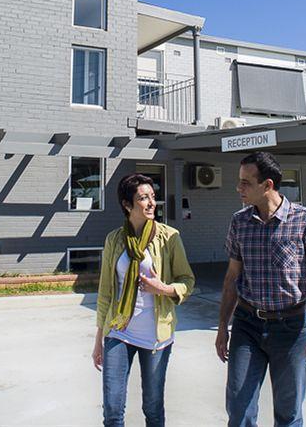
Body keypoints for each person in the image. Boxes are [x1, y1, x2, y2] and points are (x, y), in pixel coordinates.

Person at [215, 152, 306, 427]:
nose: (239, 188)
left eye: (246, 182)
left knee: (288, 413)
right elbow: (232, 276)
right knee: (239, 408)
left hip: (291, 329)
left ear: (267, 185)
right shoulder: (239, 222)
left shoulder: (305, 220)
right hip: (247, 325)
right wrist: (223, 325)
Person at [93, 173, 196, 427]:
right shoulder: (114, 239)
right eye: (143, 198)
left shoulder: (169, 237)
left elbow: (187, 281)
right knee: (113, 410)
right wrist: (99, 340)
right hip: (118, 331)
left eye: (152, 197)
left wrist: (162, 288)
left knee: (152, 408)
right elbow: (106, 291)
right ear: (128, 205)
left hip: (155, 337)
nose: (151, 203)